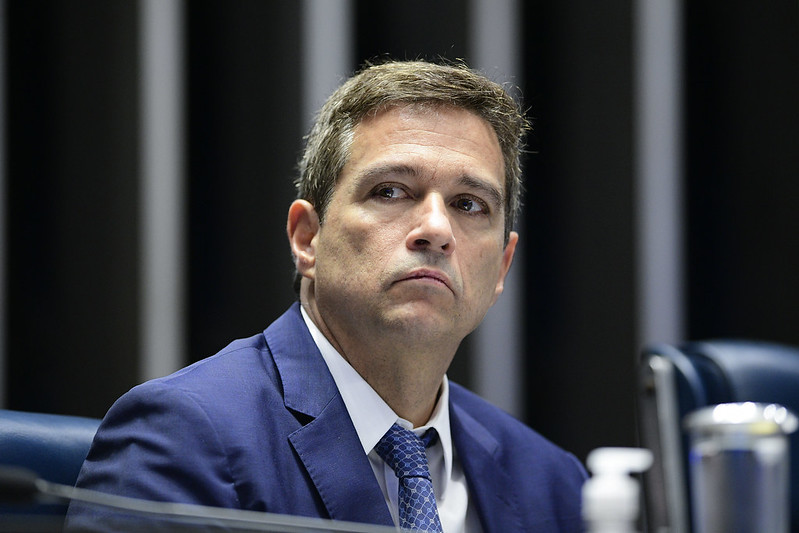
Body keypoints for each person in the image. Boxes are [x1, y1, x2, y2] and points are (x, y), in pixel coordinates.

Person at [66, 60, 586, 532]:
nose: (435, 228)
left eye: (469, 204)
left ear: (500, 267)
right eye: (391, 191)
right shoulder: (183, 437)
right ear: (307, 238)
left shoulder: (554, 484)